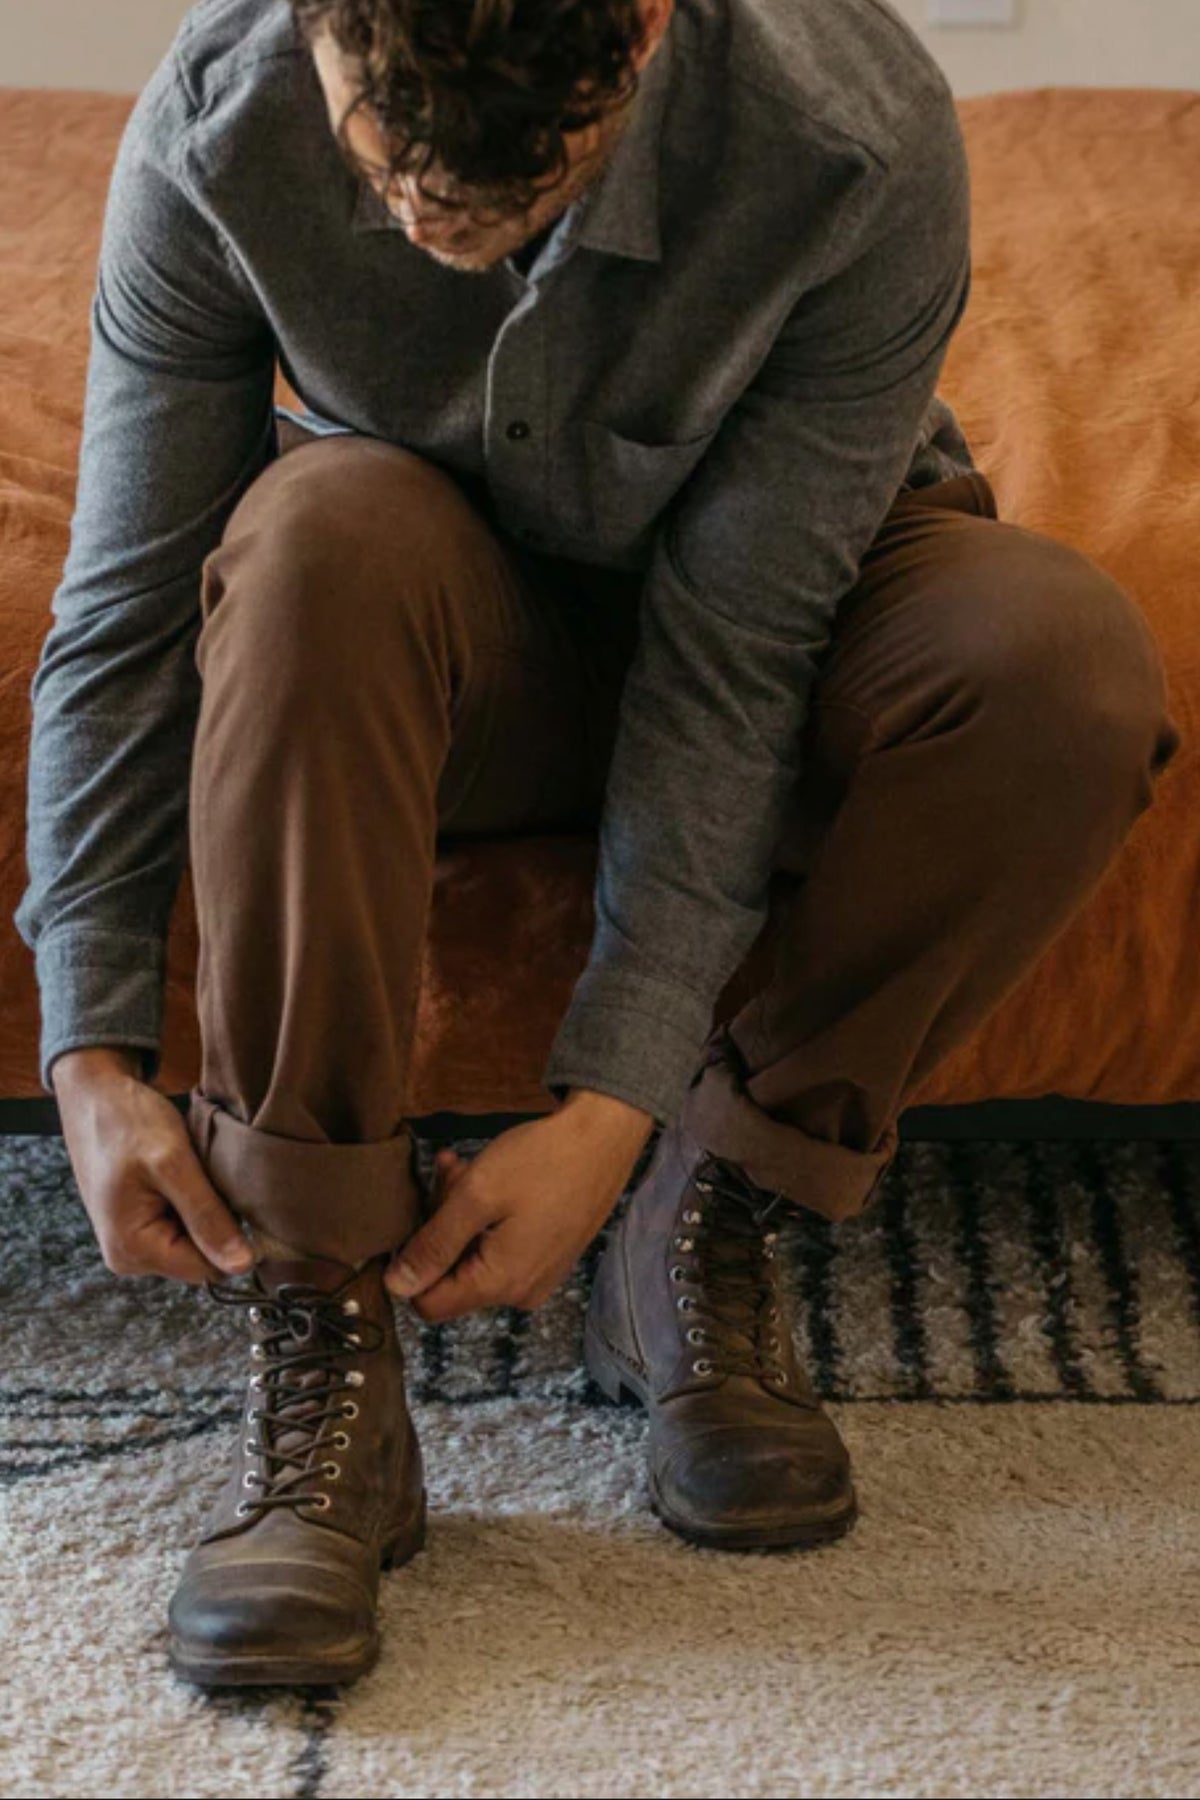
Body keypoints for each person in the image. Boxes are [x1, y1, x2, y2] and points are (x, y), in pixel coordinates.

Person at [15, 0, 1181, 1689]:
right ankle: (320, 1306)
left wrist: (615, 1107)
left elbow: (737, 655)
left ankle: (705, 1208)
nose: (427, 223)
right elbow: (127, 612)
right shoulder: (218, 112)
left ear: (641, 32)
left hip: (793, 607)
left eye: (514, 186)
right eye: (380, 160)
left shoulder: (853, 133)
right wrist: (89, 1045)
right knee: (307, 545)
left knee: (1061, 671)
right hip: (431, 605)